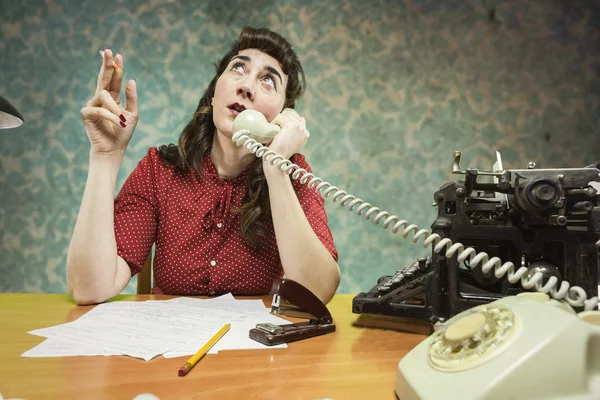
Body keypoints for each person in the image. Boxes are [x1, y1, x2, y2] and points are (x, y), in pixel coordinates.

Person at [66, 27, 340, 306]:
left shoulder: (291, 173)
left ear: (283, 116)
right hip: (170, 344)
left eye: (268, 81)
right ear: (213, 94)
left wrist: (276, 169)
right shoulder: (159, 170)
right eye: (238, 69)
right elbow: (89, 288)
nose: (246, 87)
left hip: (254, 346)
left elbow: (318, 290)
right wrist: (105, 156)